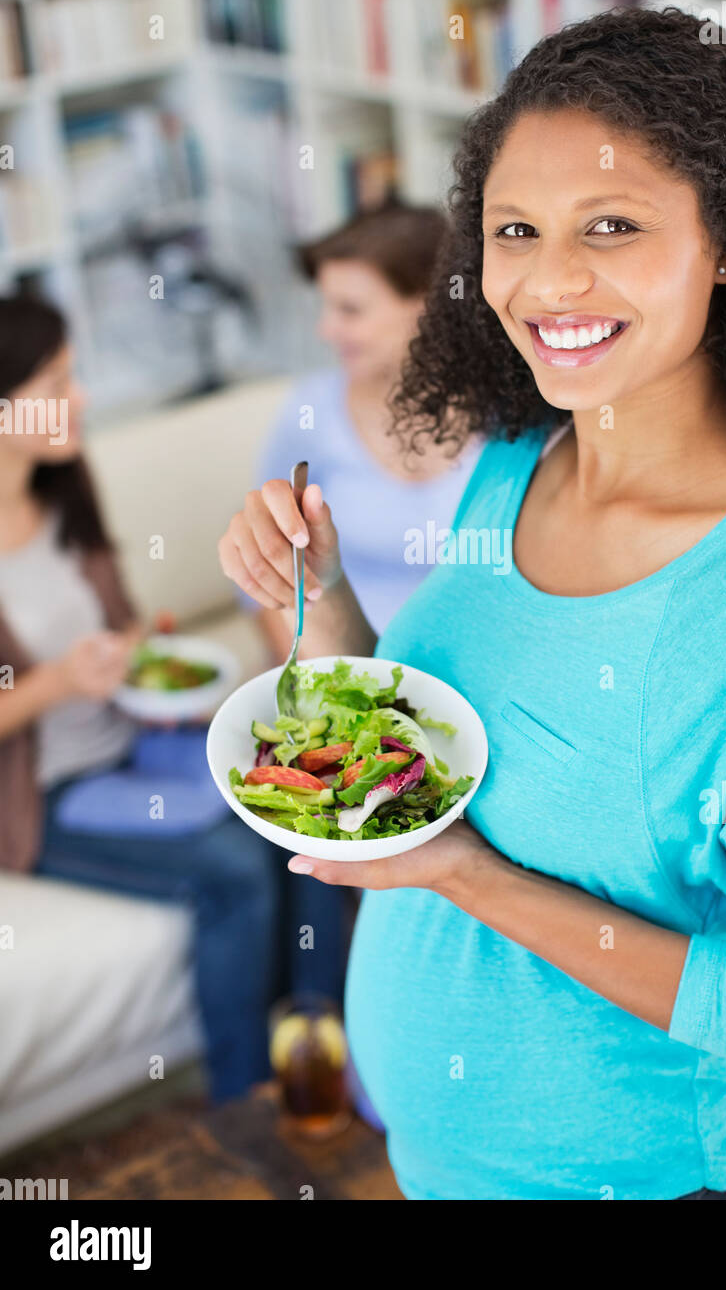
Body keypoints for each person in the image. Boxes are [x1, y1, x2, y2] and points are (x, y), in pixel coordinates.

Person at [217, 7, 726, 1199]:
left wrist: (465, 873)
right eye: (516, 230)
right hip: (444, 1167)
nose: (548, 281)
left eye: (614, 227)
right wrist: (318, 603)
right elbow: (440, 740)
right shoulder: (516, 460)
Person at [0, 295, 280, 1104]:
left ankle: (316, 1035)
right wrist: (54, 684)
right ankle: (245, 1095)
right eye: (55, 380)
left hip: (129, 746)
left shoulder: (63, 487)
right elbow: (54, 682)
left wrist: (149, 665)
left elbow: (121, 628)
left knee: (285, 804)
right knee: (233, 868)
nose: (80, 397)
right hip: (41, 797)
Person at [232, 201, 483, 1009]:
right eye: (325, 306)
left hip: (466, 695)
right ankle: (333, 1021)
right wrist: (313, 685)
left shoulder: (505, 419)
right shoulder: (310, 410)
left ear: (425, 304)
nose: (326, 329)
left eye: (350, 308)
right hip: (342, 685)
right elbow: (270, 571)